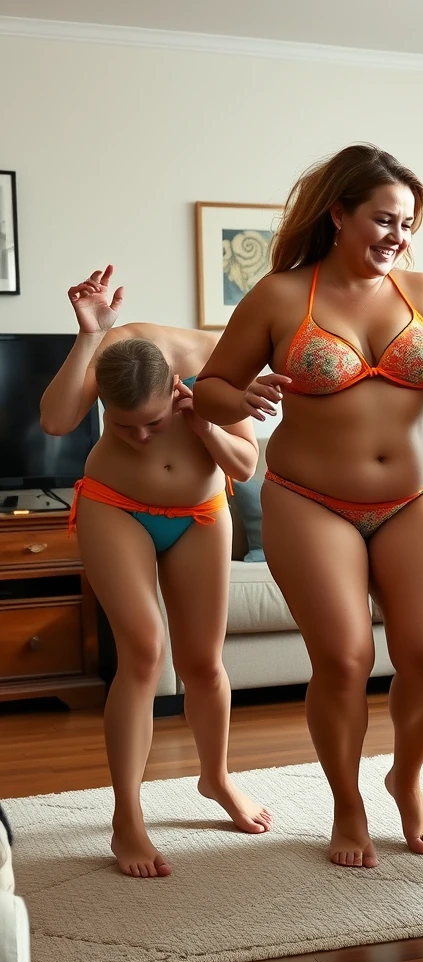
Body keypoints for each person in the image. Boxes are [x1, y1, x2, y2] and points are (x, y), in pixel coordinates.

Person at [193, 144, 423, 868]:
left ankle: (407, 776)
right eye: (383, 219)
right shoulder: (281, 295)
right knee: (343, 659)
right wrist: (237, 398)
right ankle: (347, 803)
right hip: (312, 501)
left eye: (408, 224)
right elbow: (212, 385)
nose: (397, 236)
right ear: (339, 214)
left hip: (415, 496)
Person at [40, 267, 272, 878]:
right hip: (116, 509)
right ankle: (128, 819)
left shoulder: (213, 358)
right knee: (143, 652)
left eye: (154, 423)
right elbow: (57, 421)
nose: (140, 436)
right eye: (124, 427)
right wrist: (88, 335)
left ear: (176, 387)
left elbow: (245, 466)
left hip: (200, 514)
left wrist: (206, 426)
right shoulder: (109, 356)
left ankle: (217, 779)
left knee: (204, 663)